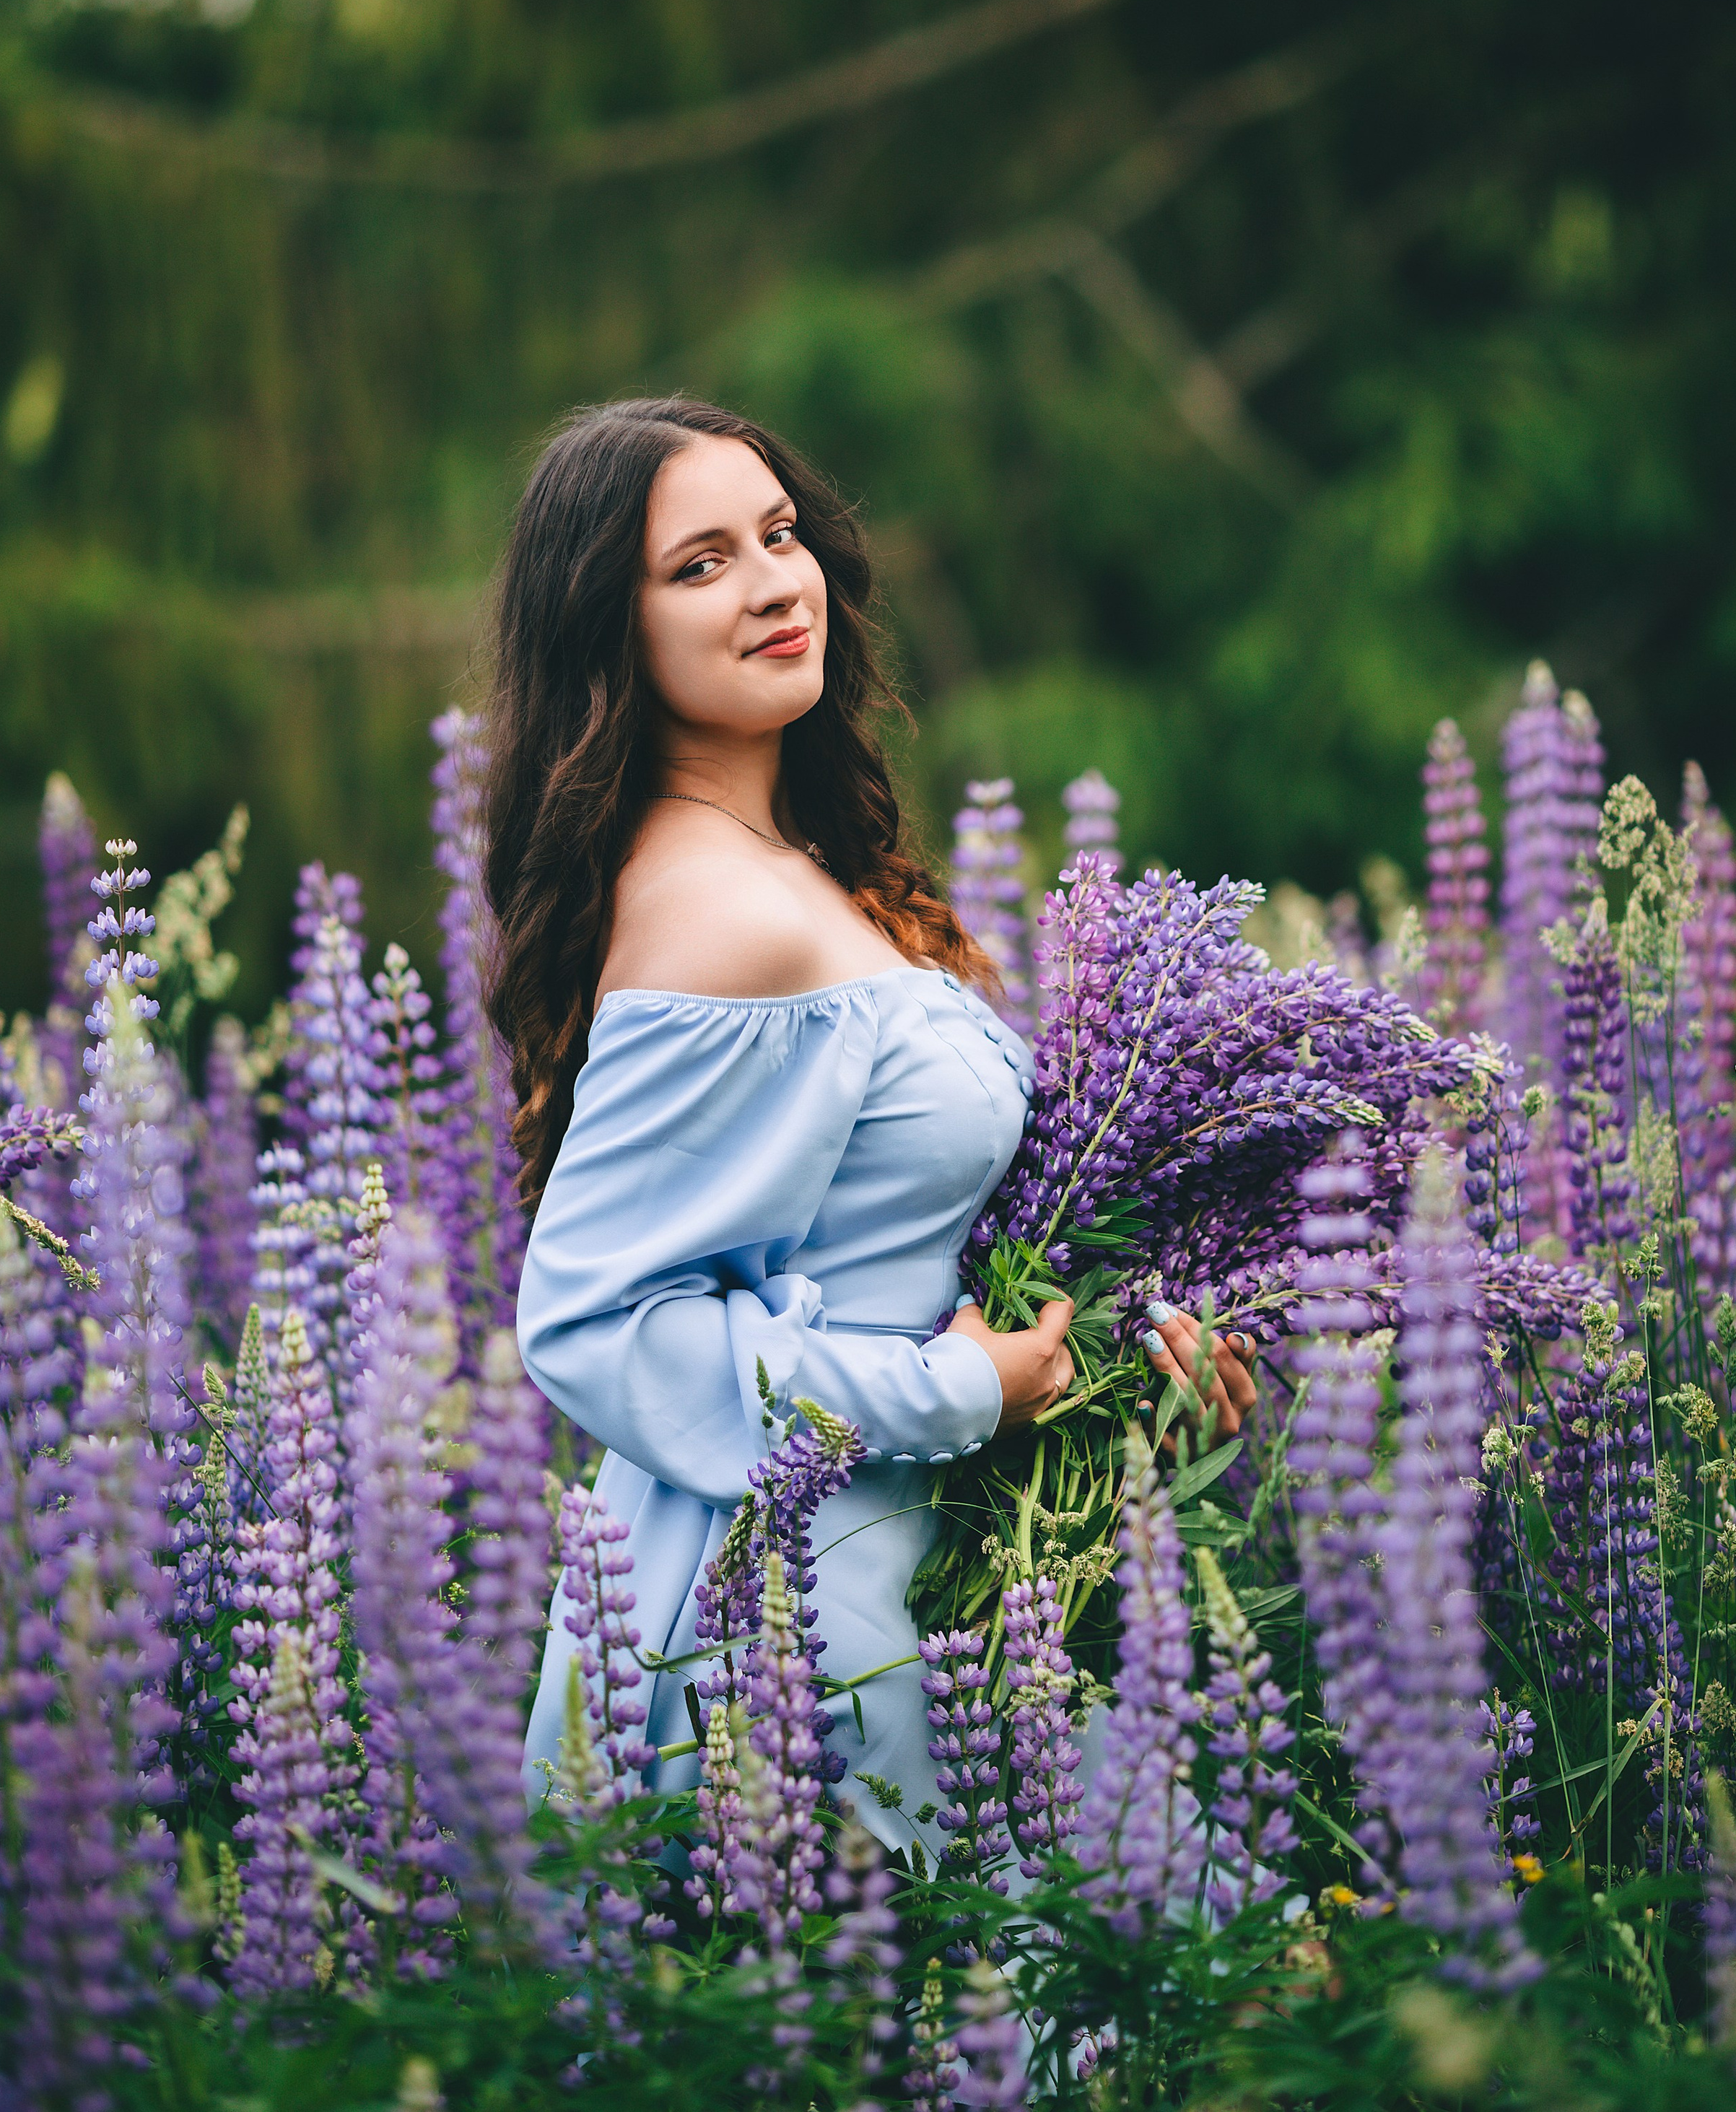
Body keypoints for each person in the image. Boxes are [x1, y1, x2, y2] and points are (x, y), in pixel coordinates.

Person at [484, 396, 1257, 1853]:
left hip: (922, 1599)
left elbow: (901, 1245)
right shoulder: (716, 911)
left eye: (779, 536)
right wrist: (956, 1391)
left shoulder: (791, 869)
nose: (775, 582)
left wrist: (1110, 1360)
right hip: (791, 1652)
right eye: (699, 564)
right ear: (610, 630)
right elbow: (594, 1323)